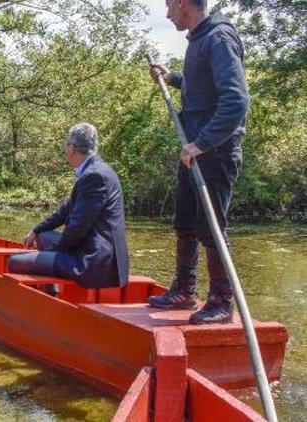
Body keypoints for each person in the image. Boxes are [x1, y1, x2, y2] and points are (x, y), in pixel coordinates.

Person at [147, 0, 250, 324]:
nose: (166, 15)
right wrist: (173, 78)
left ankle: (221, 302)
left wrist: (202, 144)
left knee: (211, 229)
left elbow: (236, 101)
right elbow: (202, 89)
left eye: (168, 7)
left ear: (181, 3)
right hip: (192, 149)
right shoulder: (199, 39)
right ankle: (184, 292)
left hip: (213, 152)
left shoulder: (219, 37)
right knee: (185, 222)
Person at [7, 123, 129, 290]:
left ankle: (50, 300)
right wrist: (36, 230)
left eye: (66, 145)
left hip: (94, 263)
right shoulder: (97, 170)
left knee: (14, 262)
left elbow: (78, 227)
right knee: (43, 236)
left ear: (72, 148)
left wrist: (52, 252)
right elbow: (65, 211)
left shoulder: (94, 175)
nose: (65, 150)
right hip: (92, 251)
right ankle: (52, 292)